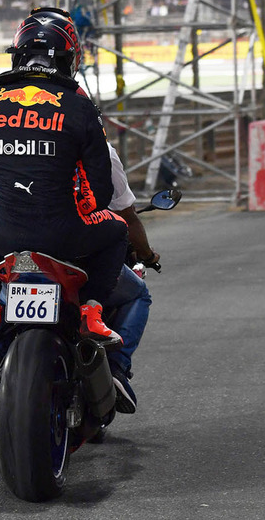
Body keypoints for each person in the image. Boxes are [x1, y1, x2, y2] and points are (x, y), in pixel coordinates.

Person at [0, 7, 128, 410]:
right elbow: (103, 194)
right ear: (68, 59)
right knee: (117, 231)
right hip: (65, 236)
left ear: (17, 55)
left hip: (3, 232)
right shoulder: (79, 107)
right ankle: (91, 311)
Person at [102, 142, 161, 414]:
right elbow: (126, 215)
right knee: (139, 294)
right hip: (77, 249)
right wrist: (147, 255)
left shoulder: (11, 142)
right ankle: (116, 367)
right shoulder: (99, 149)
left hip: (20, 246)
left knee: (0, 294)